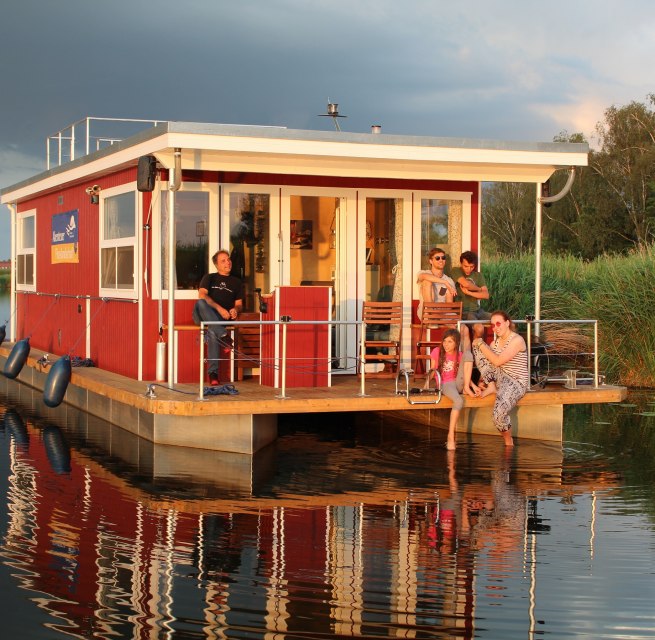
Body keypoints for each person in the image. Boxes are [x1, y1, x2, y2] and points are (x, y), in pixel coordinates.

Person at [471, 310, 529, 446]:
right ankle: (491, 386)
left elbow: (497, 361)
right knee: (477, 346)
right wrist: (481, 381)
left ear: (507, 323)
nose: (496, 328)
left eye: (498, 324)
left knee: (498, 415)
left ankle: (508, 441)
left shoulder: (517, 340)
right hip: (500, 379)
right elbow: (488, 364)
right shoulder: (494, 344)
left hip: (516, 382)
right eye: (493, 325)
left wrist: (480, 343)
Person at [193, 250, 243, 386]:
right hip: (202, 315)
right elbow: (202, 295)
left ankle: (213, 374)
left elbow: (239, 304)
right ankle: (224, 335)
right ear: (216, 265)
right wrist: (219, 308)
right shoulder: (209, 277)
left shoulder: (236, 282)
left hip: (220, 320)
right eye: (223, 260)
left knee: (214, 331)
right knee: (201, 303)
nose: (228, 262)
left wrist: (235, 310)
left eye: (228, 259)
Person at [423, 328, 479, 450]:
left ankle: (466, 388)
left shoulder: (459, 355)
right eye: (445, 341)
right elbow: (433, 369)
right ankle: (450, 435)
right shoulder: (437, 351)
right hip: (445, 384)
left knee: (468, 354)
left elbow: (465, 373)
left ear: (456, 343)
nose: (446, 344)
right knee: (458, 401)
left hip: (458, 383)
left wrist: (473, 385)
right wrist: (427, 382)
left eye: (450, 342)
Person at [416, 248, 457, 319]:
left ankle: (436, 316)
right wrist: (445, 282)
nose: (441, 260)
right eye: (437, 258)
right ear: (431, 261)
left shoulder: (449, 280)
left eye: (443, 258)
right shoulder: (424, 273)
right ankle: (431, 313)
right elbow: (424, 276)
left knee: (463, 327)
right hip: (426, 312)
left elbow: (449, 304)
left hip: (443, 312)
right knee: (427, 281)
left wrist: (440, 313)